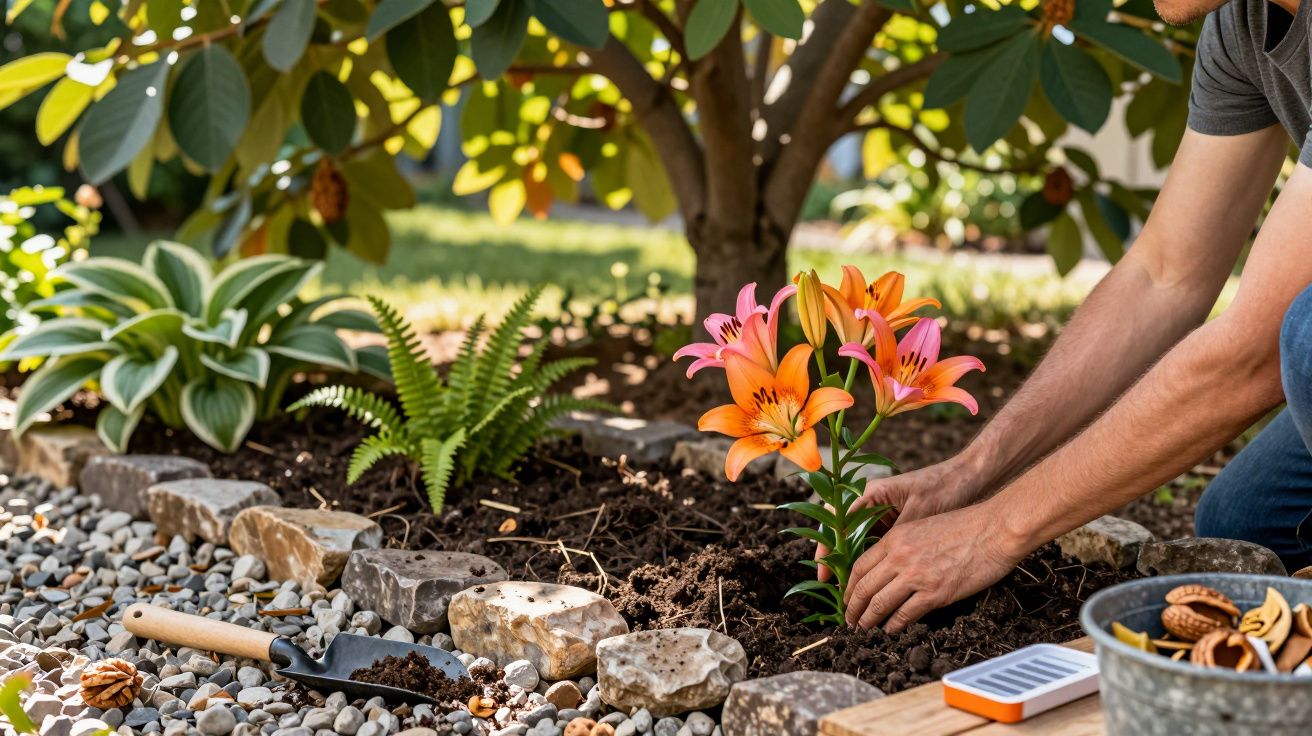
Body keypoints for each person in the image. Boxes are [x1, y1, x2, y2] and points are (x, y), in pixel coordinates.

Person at [829, 0, 1312, 632]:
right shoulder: (1243, 25)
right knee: (1250, 521)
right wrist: (969, 476)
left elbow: (1250, 356)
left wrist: (995, 530)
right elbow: (1163, 275)